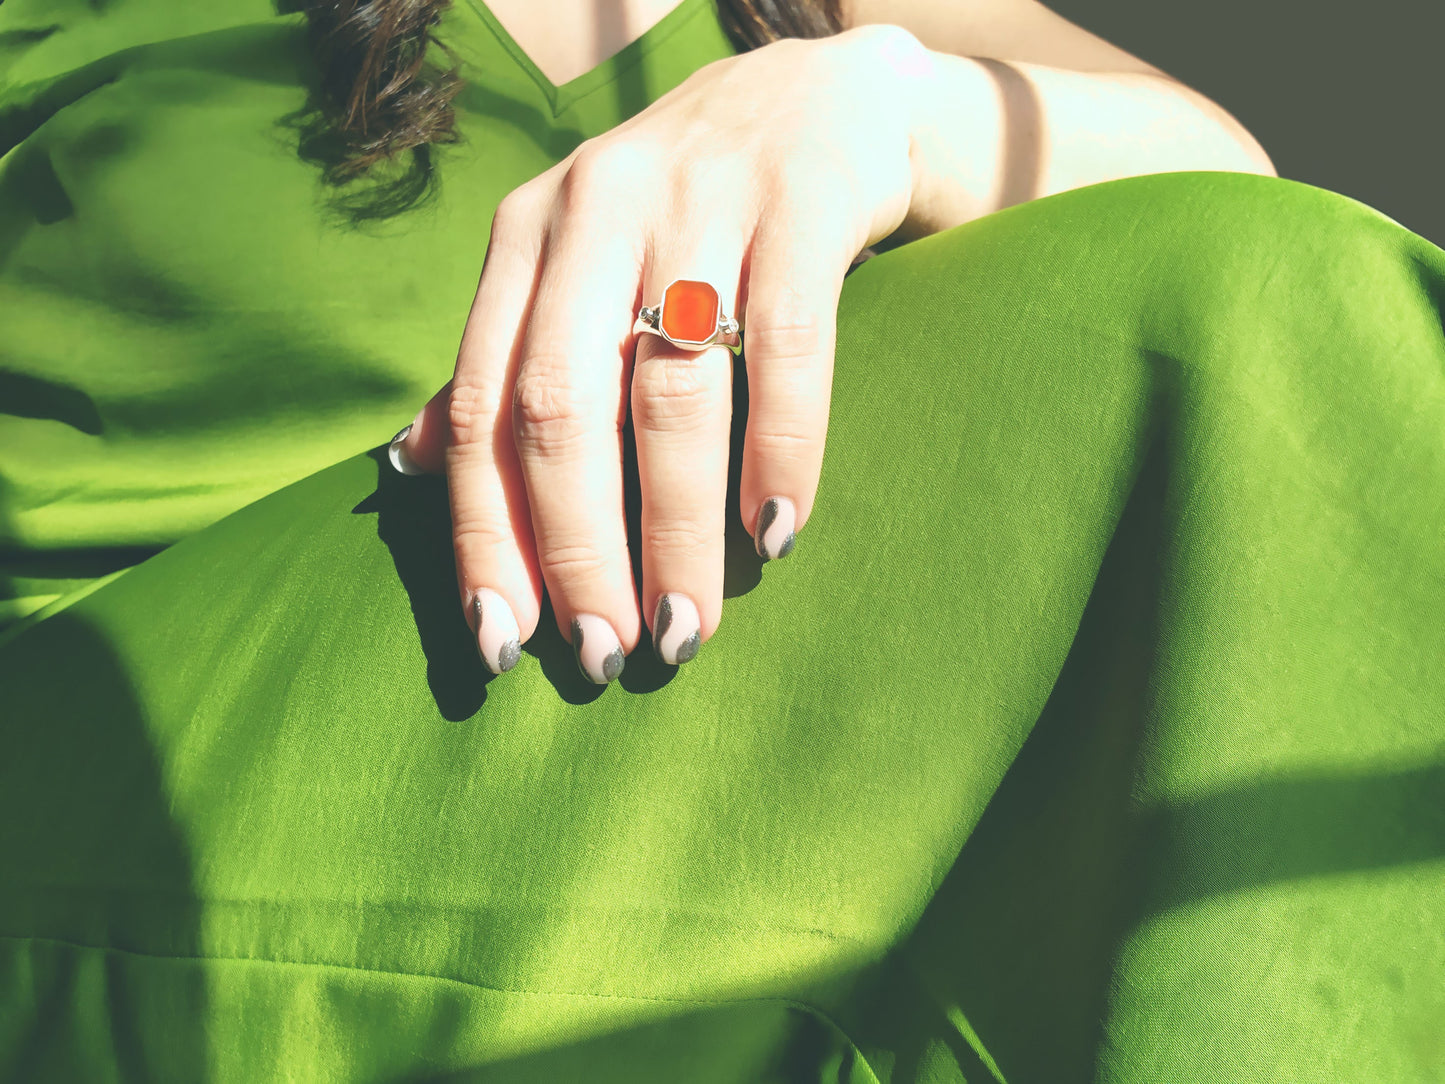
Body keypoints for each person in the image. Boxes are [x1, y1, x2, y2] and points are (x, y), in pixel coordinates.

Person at [1, 0, 1440, 1080]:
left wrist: (871, 103)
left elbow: (1242, 199)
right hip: (109, 795)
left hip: (728, 766)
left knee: (1284, 337)